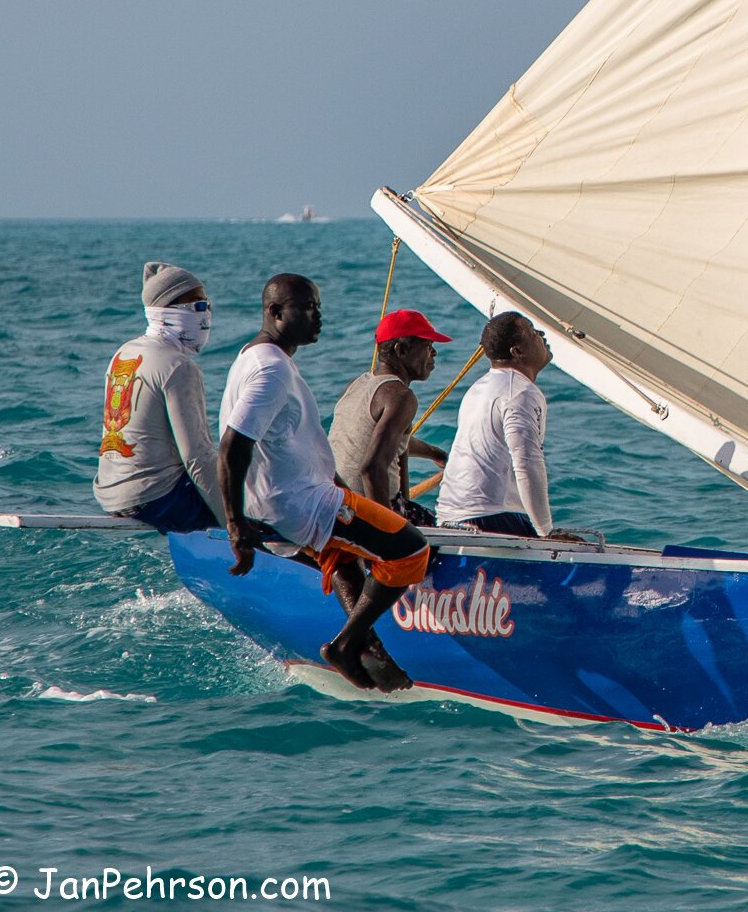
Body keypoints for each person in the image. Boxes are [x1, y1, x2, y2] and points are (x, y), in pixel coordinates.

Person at [217, 273, 429, 692]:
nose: (319, 316)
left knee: (344, 560)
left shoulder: (253, 356)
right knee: (411, 551)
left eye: (318, 307)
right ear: (276, 313)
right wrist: (235, 524)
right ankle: (346, 645)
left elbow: (291, 441)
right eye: (308, 308)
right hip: (303, 505)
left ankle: (371, 653)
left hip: (303, 497)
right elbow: (232, 446)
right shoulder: (272, 370)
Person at [93, 261, 221, 533]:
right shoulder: (178, 366)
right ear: (170, 310)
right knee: (260, 501)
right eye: (198, 305)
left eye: (207, 305)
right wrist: (235, 523)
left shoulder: (124, 352)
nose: (206, 314)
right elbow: (197, 457)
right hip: (156, 498)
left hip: (108, 493)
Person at [436, 311, 558, 537]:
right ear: (517, 351)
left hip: (447, 517)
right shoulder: (520, 392)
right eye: (532, 333)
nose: (542, 335)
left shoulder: (479, 388)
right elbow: (527, 463)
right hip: (489, 518)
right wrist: (546, 532)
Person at [329, 309, 450, 525]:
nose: (434, 354)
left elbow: (379, 440)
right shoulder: (400, 396)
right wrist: (386, 534)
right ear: (401, 350)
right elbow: (372, 468)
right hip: (366, 510)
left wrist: (435, 453)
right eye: (427, 347)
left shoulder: (357, 385)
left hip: (337, 504)